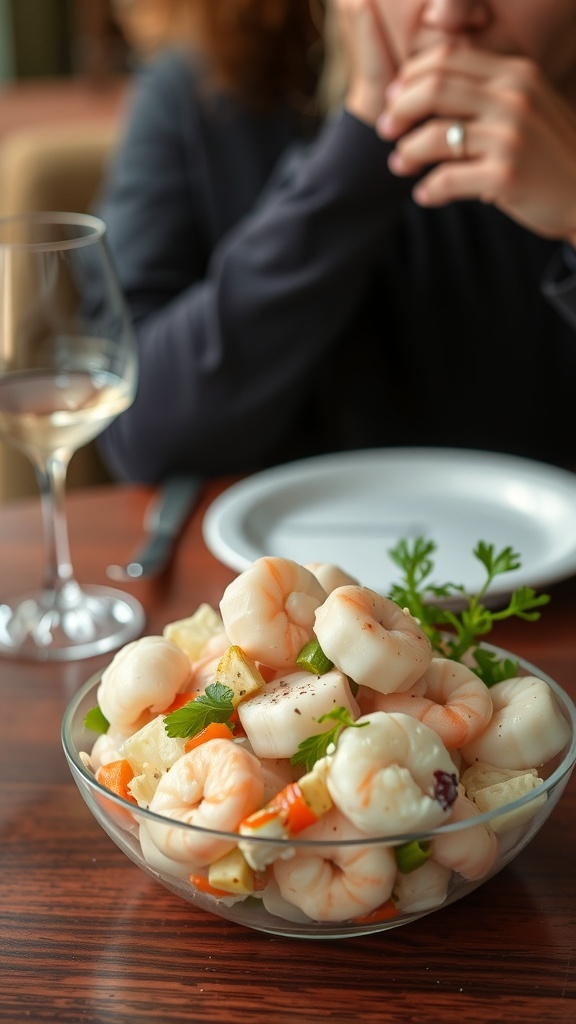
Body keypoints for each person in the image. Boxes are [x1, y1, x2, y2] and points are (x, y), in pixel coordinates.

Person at [96, 0, 576, 485]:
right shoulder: (206, 87)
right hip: (275, 559)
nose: (451, 12)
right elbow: (140, 433)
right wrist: (361, 145)